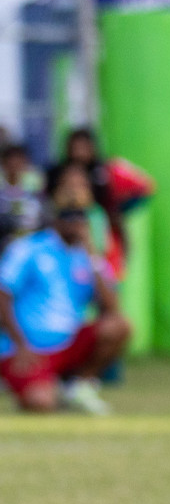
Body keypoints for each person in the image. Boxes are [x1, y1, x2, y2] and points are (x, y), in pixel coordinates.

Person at [0, 175, 131, 414]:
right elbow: (2, 297)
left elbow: (111, 308)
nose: (75, 223)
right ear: (55, 218)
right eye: (69, 216)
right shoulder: (29, 248)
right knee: (40, 404)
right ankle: (41, 386)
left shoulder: (88, 255)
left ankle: (77, 385)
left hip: (68, 345)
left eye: (80, 216)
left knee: (119, 326)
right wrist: (20, 345)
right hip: (28, 348)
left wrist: (92, 253)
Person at [1, 142, 44, 250]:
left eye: (18, 162)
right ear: (4, 164)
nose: (14, 166)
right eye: (10, 162)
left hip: (30, 237)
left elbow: (39, 216)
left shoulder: (36, 187)